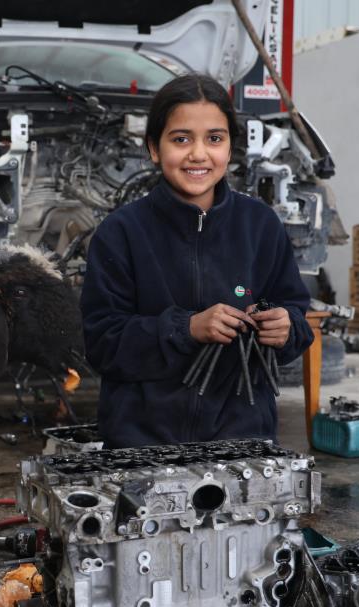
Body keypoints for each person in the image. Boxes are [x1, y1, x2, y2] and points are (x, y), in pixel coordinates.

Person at [80, 73, 314, 448]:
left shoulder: (261, 225)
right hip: (142, 443)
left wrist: (286, 327)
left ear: (230, 148)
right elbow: (102, 344)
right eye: (181, 139)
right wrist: (185, 328)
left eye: (215, 139)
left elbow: (297, 318)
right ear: (154, 148)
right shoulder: (121, 232)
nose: (199, 154)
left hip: (243, 441)